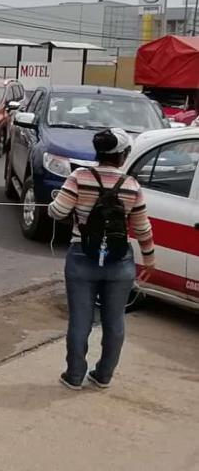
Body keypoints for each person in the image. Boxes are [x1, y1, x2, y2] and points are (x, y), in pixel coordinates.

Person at [48, 128, 154, 390]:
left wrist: (56, 204)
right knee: (115, 320)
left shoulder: (79, 177)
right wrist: (149, 258)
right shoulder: (132, 185)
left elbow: (58, 211)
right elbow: (141, 227)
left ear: (98, 152)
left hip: (82, 257)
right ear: (123, 155)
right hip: (119, 261)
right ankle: (103, 375)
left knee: (80, 319)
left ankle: (74, 376)